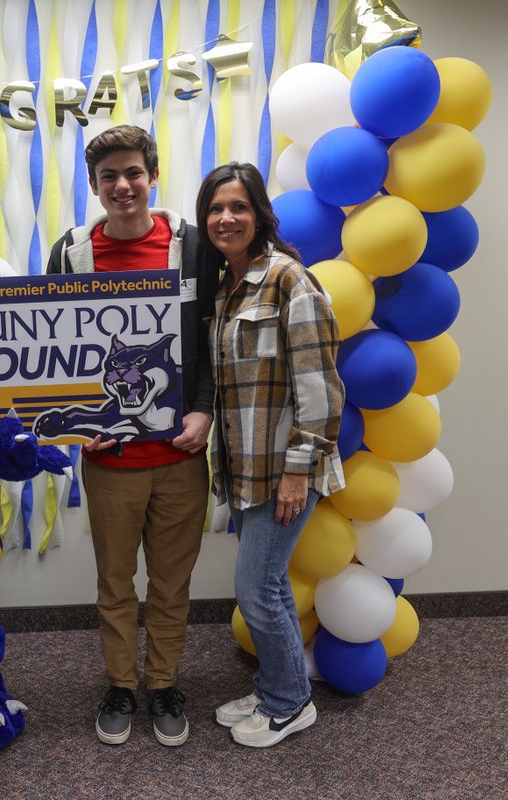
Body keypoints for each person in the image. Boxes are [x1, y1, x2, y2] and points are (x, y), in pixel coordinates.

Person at [46, 125, 219, 747]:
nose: (123, 186)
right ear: (94, 187)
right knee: (115, 583)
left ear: (151, 177)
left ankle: (165, 682)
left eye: (133, 173)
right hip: (110, 461)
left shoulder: (193, 246)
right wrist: (79, 416)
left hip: (179, 454)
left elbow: (210, 339)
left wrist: (204, 409)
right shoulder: (70, 253)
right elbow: (57, 349)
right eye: (109, 177)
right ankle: (121, 685)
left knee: (173, 584)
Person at [196, 162, 345, 748]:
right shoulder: (226, 285)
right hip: (246, 469)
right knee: (272, 583)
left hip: (286, 470)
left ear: (259, 214)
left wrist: (297, 474)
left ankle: (289, 704)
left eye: (237, 206)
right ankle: (275, 687)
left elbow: (321, 387)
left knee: (255, 588)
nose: (226, 218)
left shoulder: (290, 280)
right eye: (215, 209)